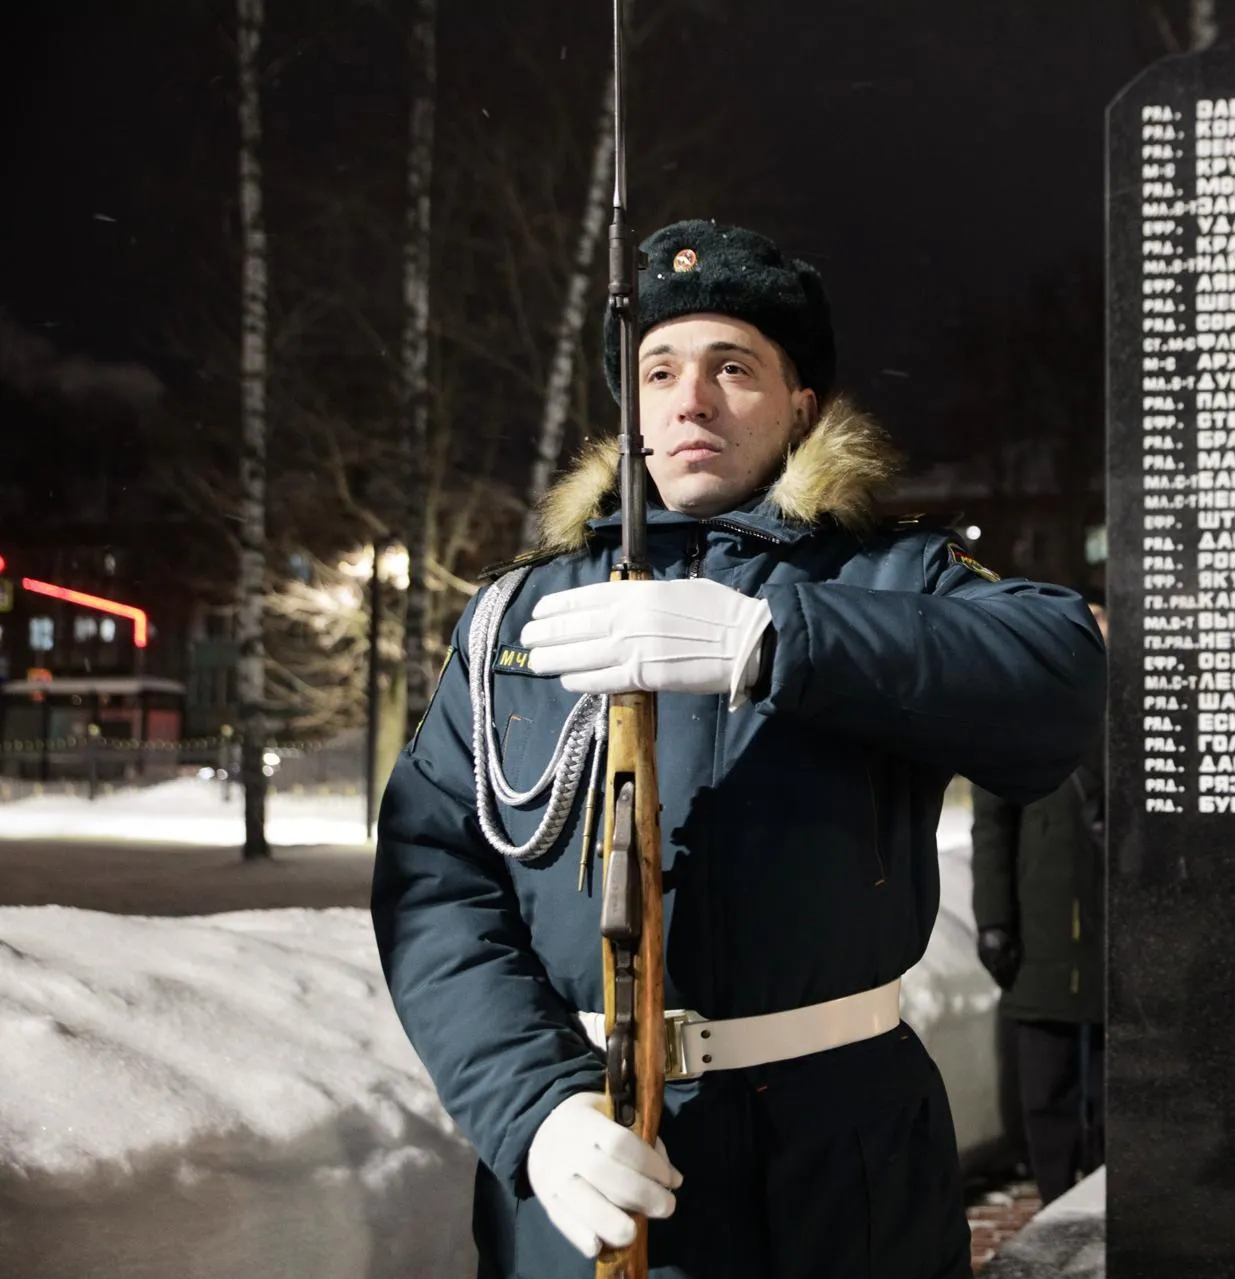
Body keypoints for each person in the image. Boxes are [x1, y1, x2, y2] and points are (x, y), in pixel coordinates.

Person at [371, 219, 1105, 1279]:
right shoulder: (518, 613)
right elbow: (433, 879)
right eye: (658, 369)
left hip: (839, 1173)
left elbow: (1059, 674)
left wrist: (785, 640)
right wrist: (532, 1108)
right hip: (594, 1155)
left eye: (733, 367)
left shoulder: (889, 577)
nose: (691, 399)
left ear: (802, 402)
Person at [969, 598, 1106, 1205]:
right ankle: (1055, 1192)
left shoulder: (1133, 714)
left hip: (1110, 925)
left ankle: (1105, 1188)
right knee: (1045, 1074)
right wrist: (995, 920)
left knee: (1110, 1073)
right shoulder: (1016, 713)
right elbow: (991, 829)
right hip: (1041, 921)